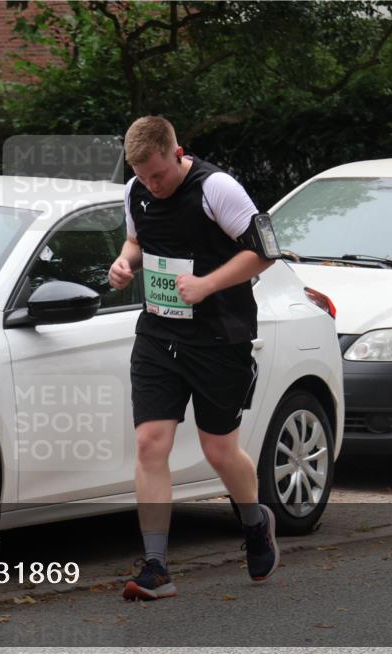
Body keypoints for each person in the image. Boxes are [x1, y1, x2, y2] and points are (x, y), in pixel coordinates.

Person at [108, 116, 279, 601]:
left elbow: (264, 253)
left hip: (219, 338)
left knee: (219, 450)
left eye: (159, 175)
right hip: (159, 334)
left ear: (178, 152)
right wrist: (125, 263)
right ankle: (156, 565)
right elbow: (138, 241)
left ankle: (253, 524)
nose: (152, 185)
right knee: (149, 443)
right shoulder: (135, 192)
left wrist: (207, 284)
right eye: (142, 176)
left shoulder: (217, 188)